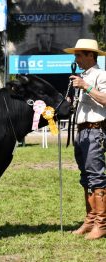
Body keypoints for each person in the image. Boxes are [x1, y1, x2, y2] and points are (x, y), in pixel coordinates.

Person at [64, 39, 106, 240]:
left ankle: (102, 223)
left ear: (91, 55)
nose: (76, 58)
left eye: (79, 54)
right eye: (76, 55)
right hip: (81, 132)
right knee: (85, 177)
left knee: (96, 178)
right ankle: (90, 220)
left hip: (95, 131)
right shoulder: (82, 77)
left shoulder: (101, 75)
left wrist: (86, 87)